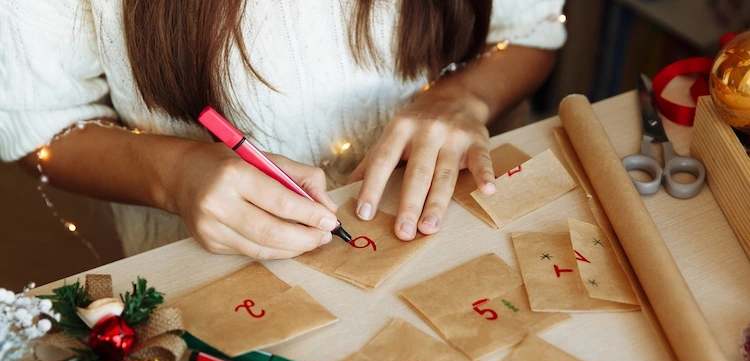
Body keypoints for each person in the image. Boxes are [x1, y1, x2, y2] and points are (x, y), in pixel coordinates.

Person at [0, 0, 566, 259]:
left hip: (453, 240)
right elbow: (42, 127)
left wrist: (463, 95)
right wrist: (173, 175)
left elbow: (533, 29)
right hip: (208, 266)